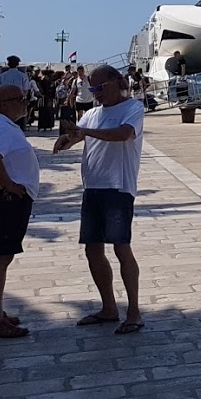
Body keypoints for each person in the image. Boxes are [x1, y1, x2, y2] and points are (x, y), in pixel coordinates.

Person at [54, 65, 146, 334]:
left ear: (116, 82)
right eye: (92, 89)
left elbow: (122, 134)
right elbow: (77, 135)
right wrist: (66, 139)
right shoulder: (93, 113)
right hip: (92, 187)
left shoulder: (133, 109)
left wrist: (86, 132)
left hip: (118, 187)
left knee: (121, 248)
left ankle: (134, 311)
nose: (96, 93)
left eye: (100, 87)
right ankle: (108, 307)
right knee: (93, 249)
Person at [0, 85, 40, 338]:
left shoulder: (0, 125)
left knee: (3, 257)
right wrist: (12, 186)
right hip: (5, 200)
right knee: (1, 258)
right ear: (4, 104)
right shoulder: (1, 128)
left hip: (6, 199)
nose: (26, 103)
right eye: (20, 100)